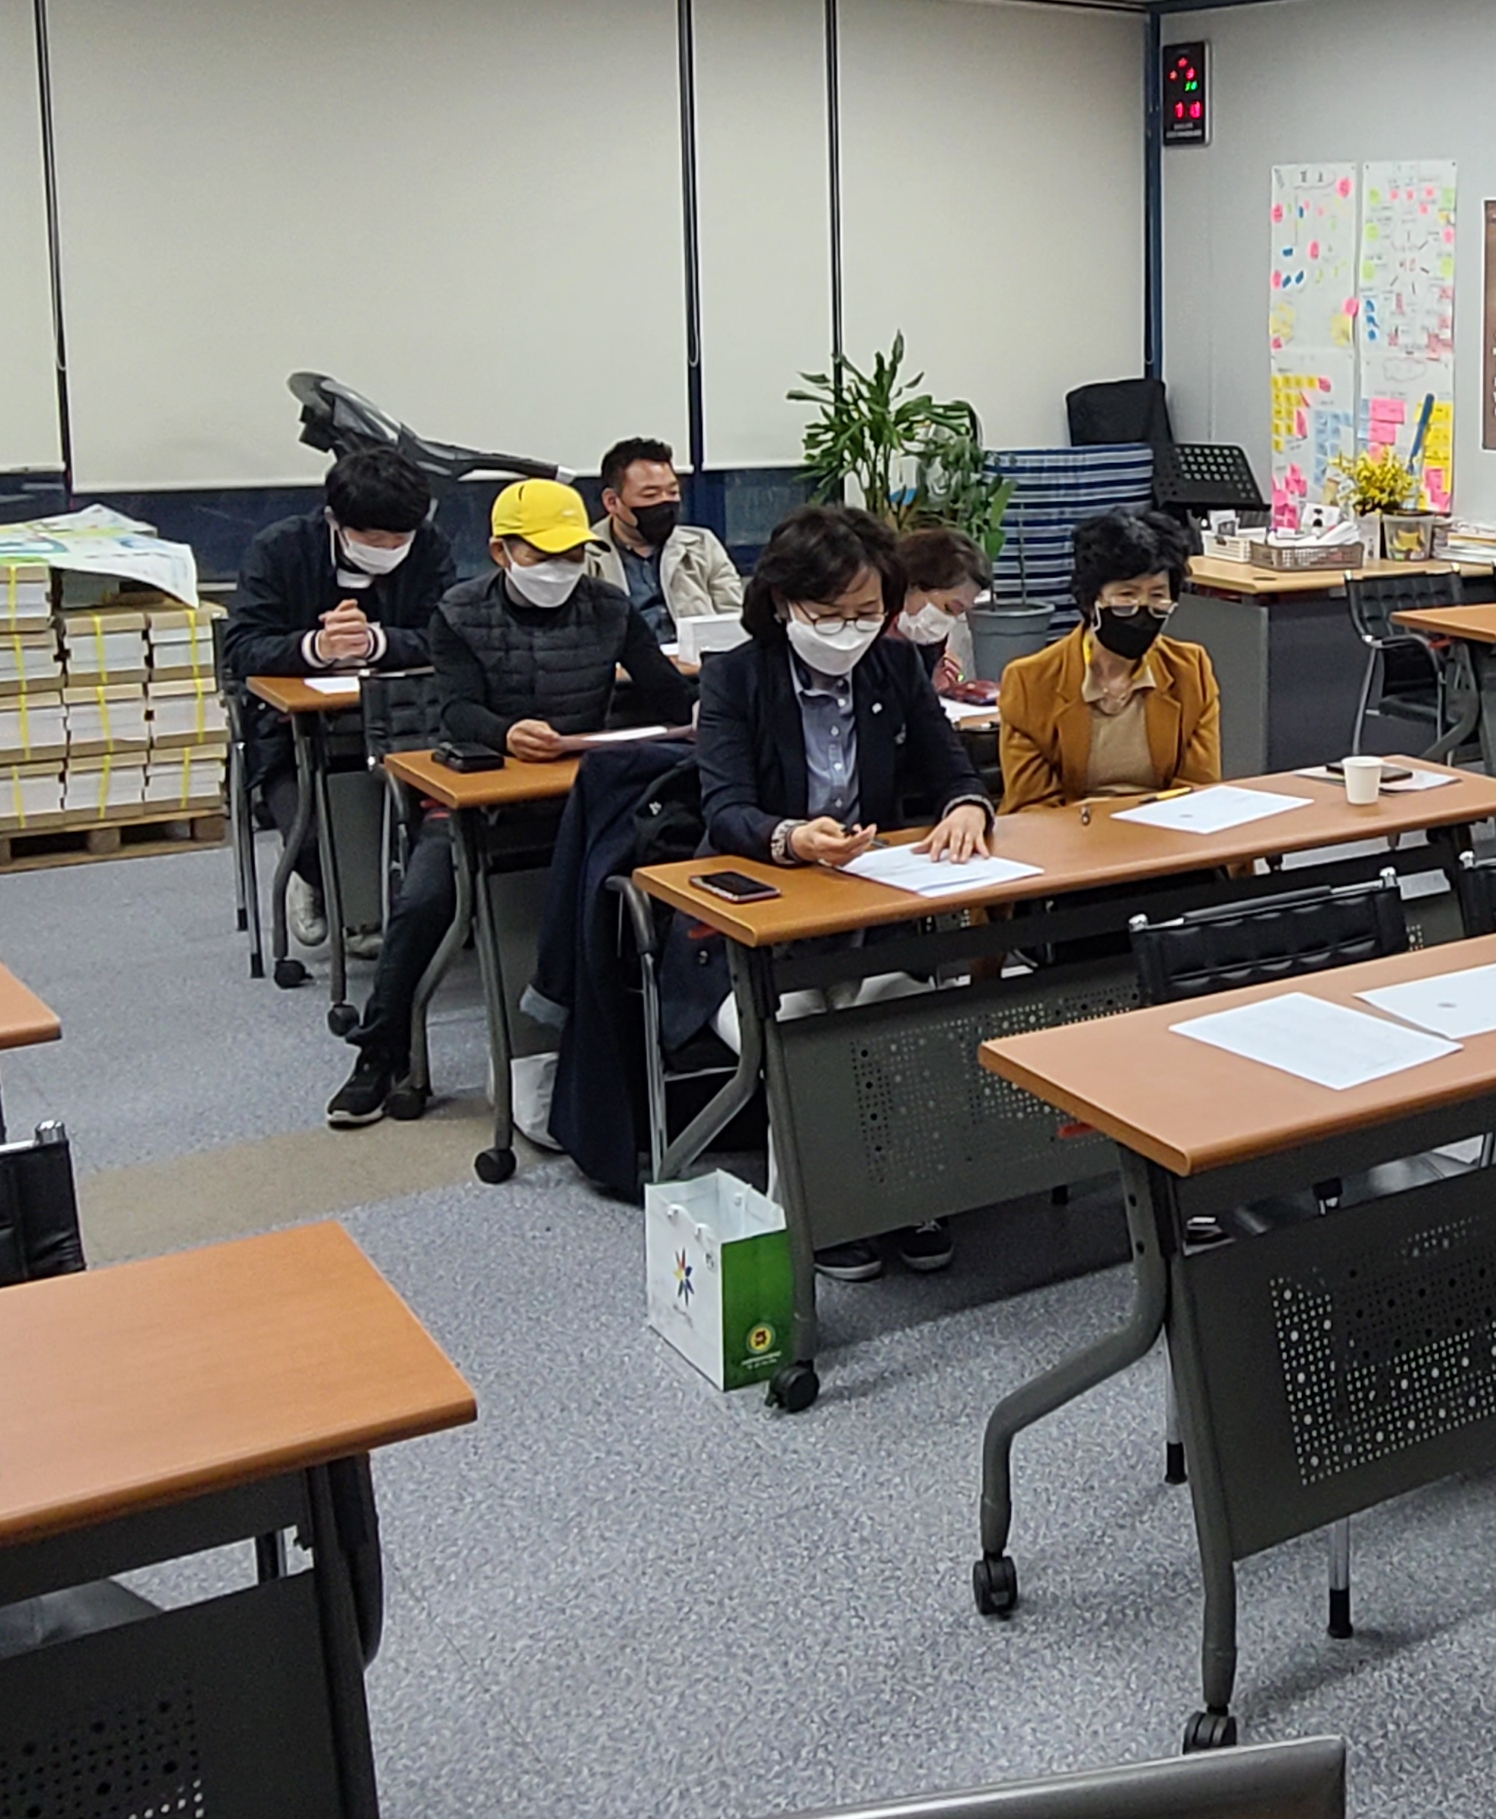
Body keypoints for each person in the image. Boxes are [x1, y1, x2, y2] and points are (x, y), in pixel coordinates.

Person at [328, 480, 693, 1128]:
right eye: (543, 555)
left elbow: (666, 692)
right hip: (480, 800)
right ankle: (380, 1053)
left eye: (572, 556)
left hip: (581, 798)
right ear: (501, 552)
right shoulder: (460, 612)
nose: (560, 569)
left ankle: (650, 1055)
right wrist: (505, 733)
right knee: (422, 901)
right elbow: (457, 710)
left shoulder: (609, 608)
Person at [694, 506, 995, 1280]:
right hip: (759, 927)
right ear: (782, 604)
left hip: (870, 912)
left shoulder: (892, 667)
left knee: (908, 1019)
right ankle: (818, 1213)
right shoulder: (737, 676)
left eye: (867, 614)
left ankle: (912, 1196)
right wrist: (792, 837)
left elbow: (952, 771)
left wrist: (966, 807)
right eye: (829, 616)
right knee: (801, 1037)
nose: (849, 632)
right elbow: (725, 809)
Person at [227, 446, 454, 951]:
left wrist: (378, 642)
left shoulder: (429, 547)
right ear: (335, 521)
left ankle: (398, 911)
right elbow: (241, 649)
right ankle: (319, 886)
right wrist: (317, 648)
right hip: (293, 736)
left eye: (401, 538)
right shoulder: (280, 549)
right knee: (314, 838)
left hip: (406, 724)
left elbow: (447, 633)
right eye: (375, 540)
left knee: (437, 822)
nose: (390, 548)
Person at [996, 508, 1221, 810]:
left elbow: (1199, 789)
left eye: (1157, 595)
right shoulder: (1030, 682)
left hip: (1167, 830)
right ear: (1092, 602)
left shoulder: (1190, 670)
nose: (1142, 608)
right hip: (1074, 833)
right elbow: (1031, 807)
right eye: (1127, 595)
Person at [579, 436, 742, 651]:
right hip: (623, 668)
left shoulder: (702, 545)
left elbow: (734, 619)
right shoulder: (584, 554)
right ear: (612, 502)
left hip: (699, 664)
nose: (664, 502)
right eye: (650, 495)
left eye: (672, 492)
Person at [891, 525, 997, 702]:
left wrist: (936, 686)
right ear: (913, 585)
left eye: (959, 613)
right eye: (950, 609)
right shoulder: (868, 636)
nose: (949, 620)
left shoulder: (932, 645)